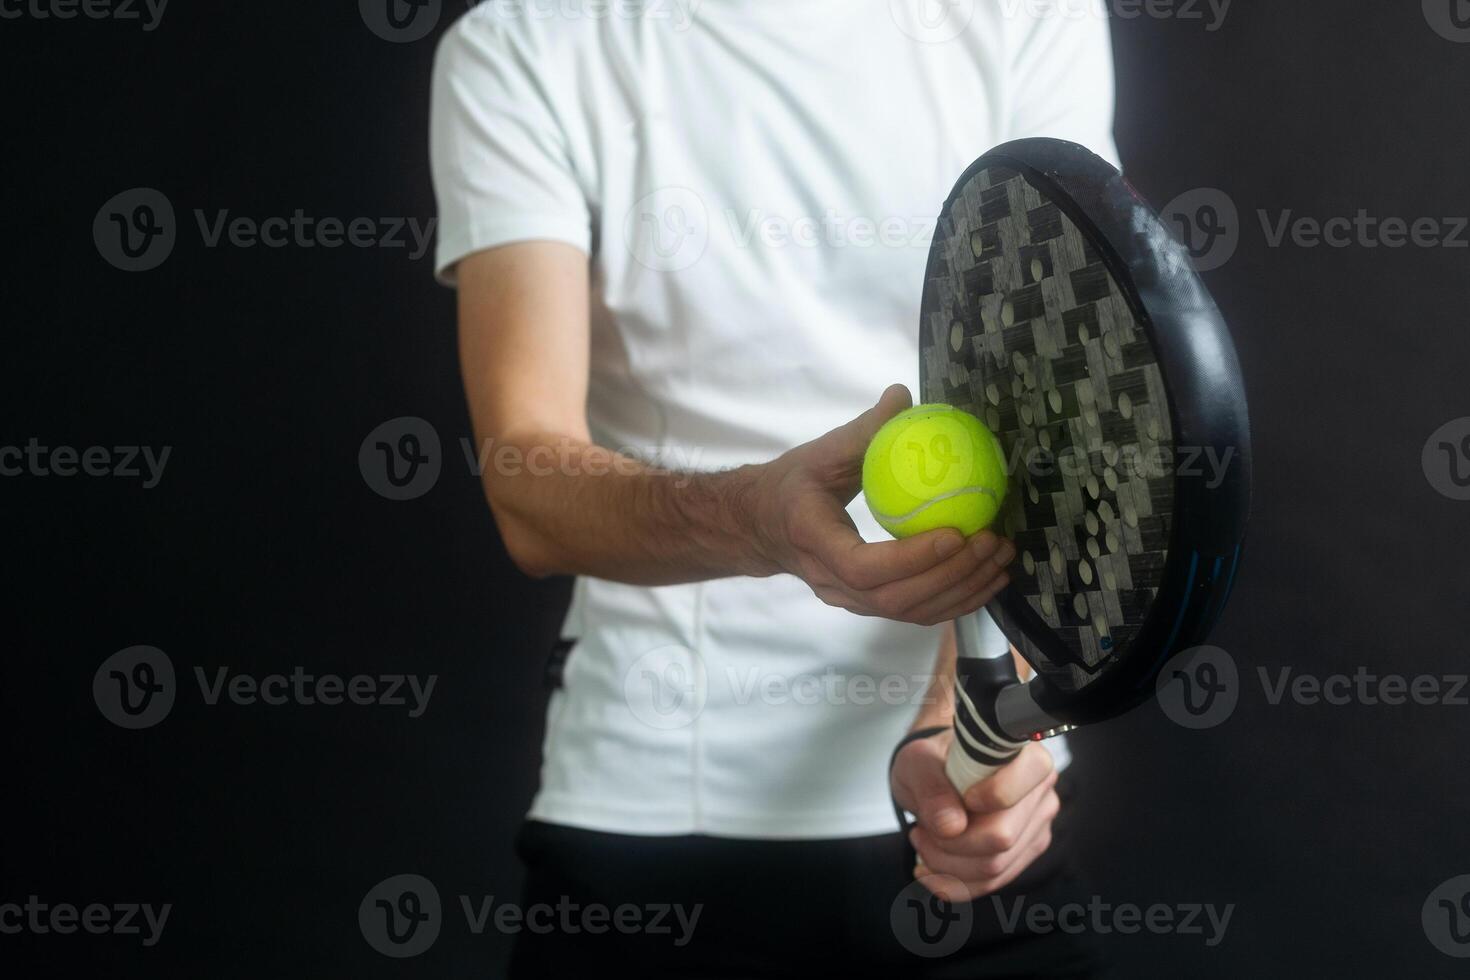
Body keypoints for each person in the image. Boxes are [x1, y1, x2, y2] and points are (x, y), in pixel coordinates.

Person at [430, 2, 1118, 974]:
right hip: (656, 822)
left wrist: (967, 718)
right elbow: (527, 482)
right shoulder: (520, 42)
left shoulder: (1030, 12)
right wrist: (761, 519)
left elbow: (1060, 403)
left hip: (976, 811)